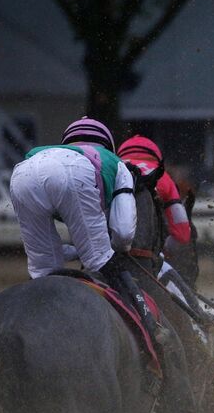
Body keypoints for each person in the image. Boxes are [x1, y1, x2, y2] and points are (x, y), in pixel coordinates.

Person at [9, 117, 168, 343]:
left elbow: (54, 250)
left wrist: (76, 251)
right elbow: (123, 235)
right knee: (102, 261)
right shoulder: (116, 163)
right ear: (108, 145)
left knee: (45, 273)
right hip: (76, 173)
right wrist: (108, 250)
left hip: (21, 174)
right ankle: (151, 332)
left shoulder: (47, 154)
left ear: (65, 143)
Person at [117, 135, 214, 328]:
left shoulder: (108, 172)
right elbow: (182, 234)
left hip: (103, 260)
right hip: (144, 264)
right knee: (170, 275)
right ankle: (199, 317)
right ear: (156, 158)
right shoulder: (162, 178)